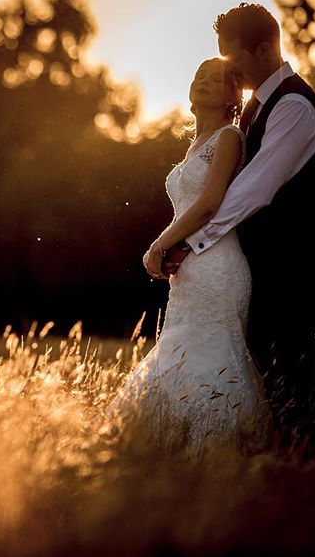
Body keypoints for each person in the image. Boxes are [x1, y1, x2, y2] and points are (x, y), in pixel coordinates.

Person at [163, 3, 315, 456]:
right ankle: (275, 465)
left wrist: (190, 240)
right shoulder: (254, 108)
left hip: (294, 261)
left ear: (264, 48)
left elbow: (253, 191)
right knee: (261, 366)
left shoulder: (293, 105)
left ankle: (311, 468)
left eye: (234, 61)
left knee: (290, 365)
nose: (230, 72)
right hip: (257, 263)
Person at [104, 57, 271, 454]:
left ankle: (216, 448)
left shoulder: (229, 137)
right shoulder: (195, 143)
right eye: (199, 77)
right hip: (189, 269)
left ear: (234, 94)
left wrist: (159, 244)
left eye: (216, 80)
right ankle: (170, 446)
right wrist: (173, 248)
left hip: (217, 265)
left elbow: (210, 203)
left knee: (210, 351)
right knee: (179, 350)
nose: (204, 83)